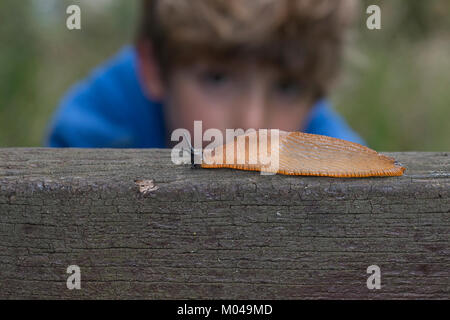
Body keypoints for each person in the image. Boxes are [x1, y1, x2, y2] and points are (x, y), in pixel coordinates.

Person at [45, 0, 364, 148]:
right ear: (153, 67)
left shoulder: (335, 154)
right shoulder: (91, 136)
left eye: (288, 87)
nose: (252, 124)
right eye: (217, 79)